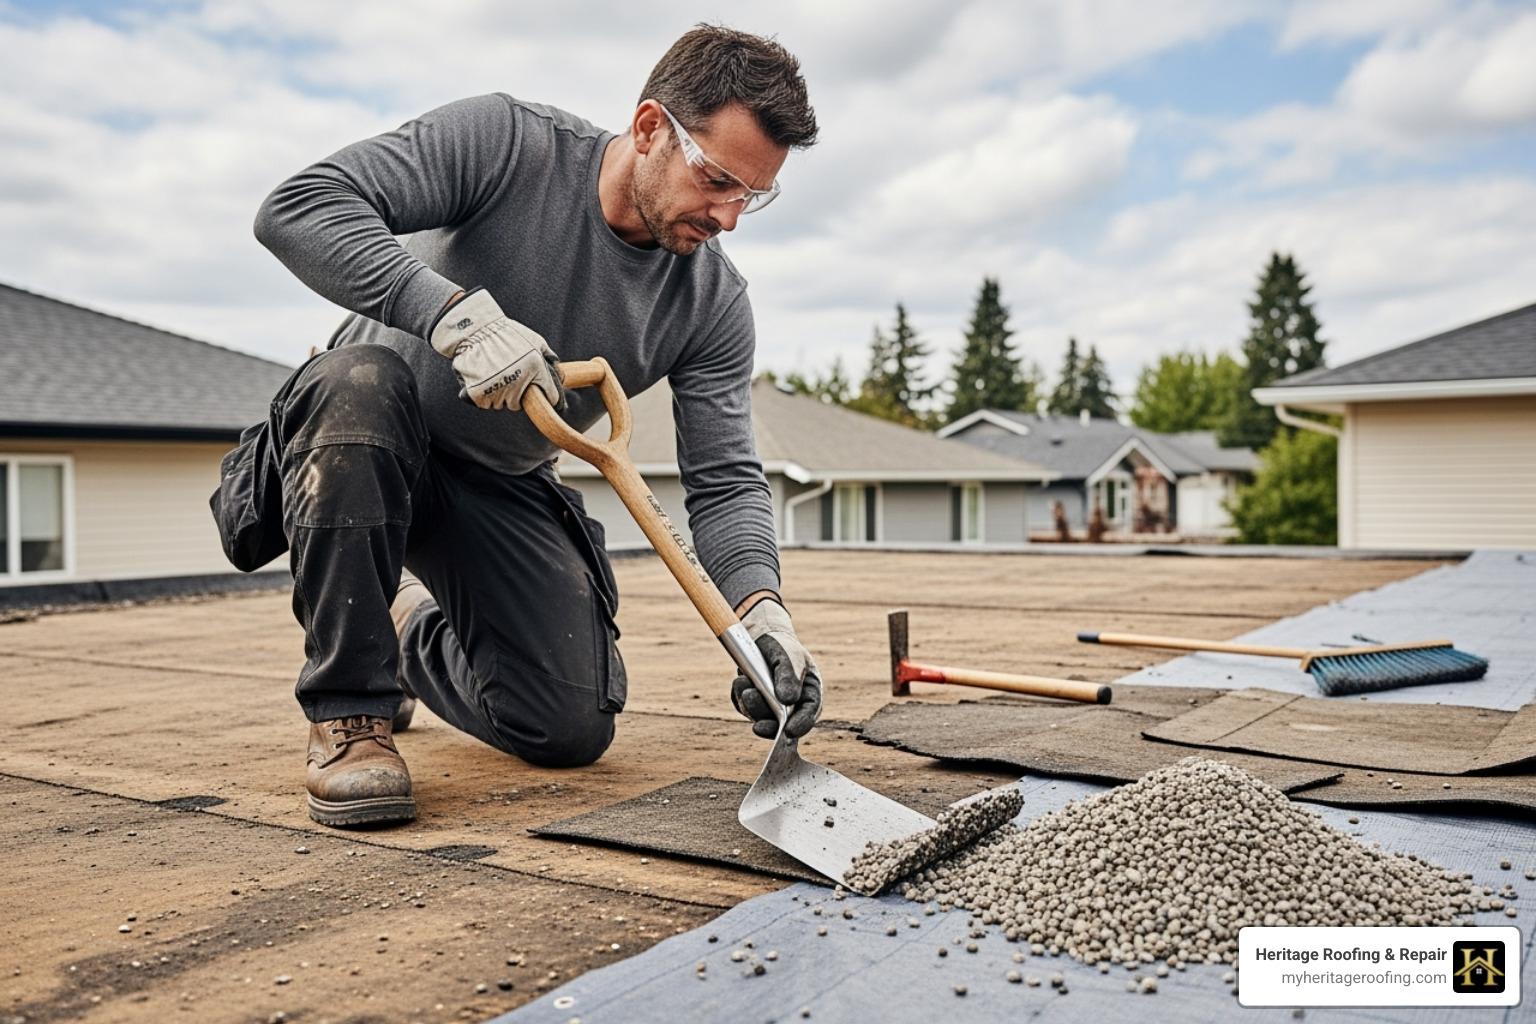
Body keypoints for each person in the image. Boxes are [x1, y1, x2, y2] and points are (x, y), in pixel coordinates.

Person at [211, 25, 824, 828]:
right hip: (356, 444)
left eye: (753, 194)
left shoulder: (711, 302)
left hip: (496, 478)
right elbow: (296, 209)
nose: (730, 216)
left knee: (567, 724)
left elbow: (724, 478)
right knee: (360, 381)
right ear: (649, 130)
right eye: (716, 179)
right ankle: (351, 716)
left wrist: (761, 608)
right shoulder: (506, 144)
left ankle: (400, 623)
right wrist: (452, 317)